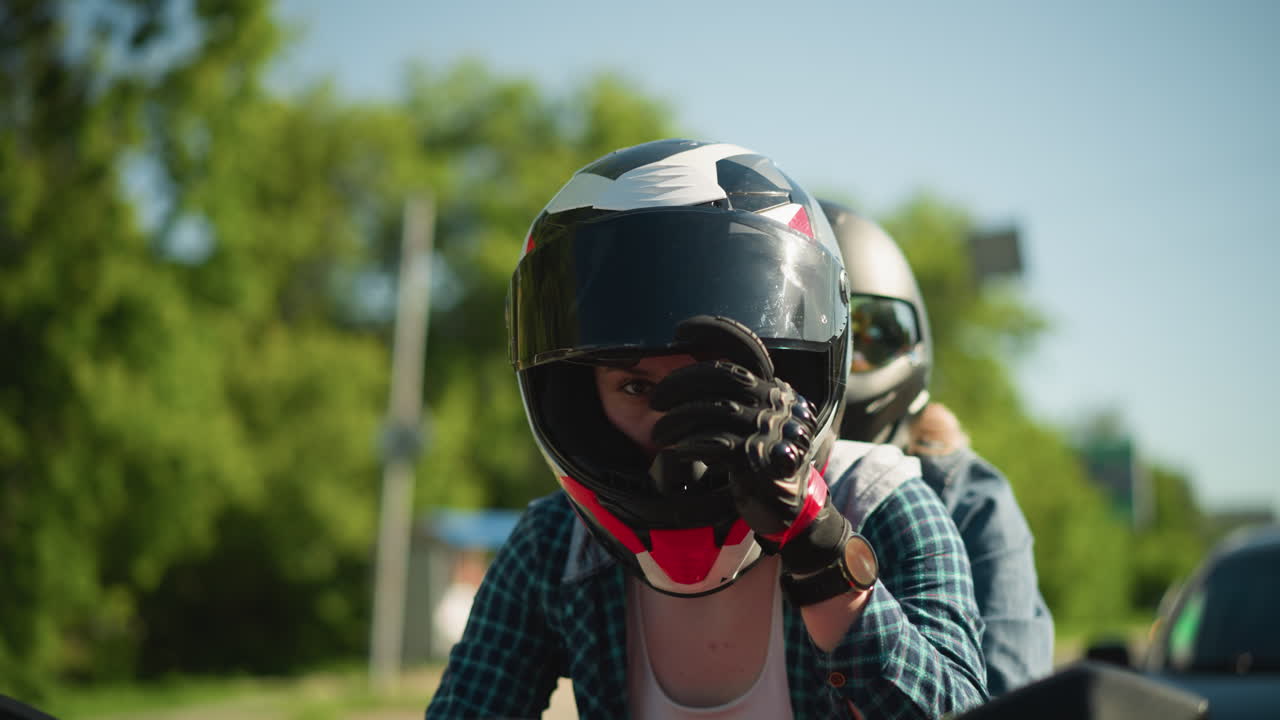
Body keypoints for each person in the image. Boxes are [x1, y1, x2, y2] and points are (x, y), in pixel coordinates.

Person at [427, 140, 987, 719]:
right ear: (578, 401)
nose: (676, 427)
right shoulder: (554, 546)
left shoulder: (881, 505)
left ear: (790, 377)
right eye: (637, 388)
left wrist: (820, 548)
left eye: (714, 385)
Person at [820, 200, 1055, 695]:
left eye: (865, 336)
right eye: (816, 336)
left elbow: (1011, 701)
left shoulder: (969, 500)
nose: (841, 362)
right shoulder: (726, 478)